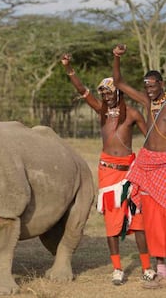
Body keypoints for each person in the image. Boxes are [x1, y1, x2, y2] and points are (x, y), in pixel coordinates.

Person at [61, 53, 153, 285]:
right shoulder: (101, 110)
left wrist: (149, 161)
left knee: (138, 221)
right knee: (112, 222)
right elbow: (82, 91)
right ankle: (117, 269)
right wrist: (69, 67)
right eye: (103, 93)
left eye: (110, 92)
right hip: (108, 173)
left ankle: (146, 267)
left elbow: (150, 137)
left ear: (118, 92)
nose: (106, 97)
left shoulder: (132, 113)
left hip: (130, 173)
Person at [112, 44, 166, 289]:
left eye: (153, 86)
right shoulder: (147, 101)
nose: (149, 90)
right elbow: (119, 82)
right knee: (152, 218)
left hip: (164, 165)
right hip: (146, 163)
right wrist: (116, 58)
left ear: (161, 84)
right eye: (146, 86)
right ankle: (160, 267)